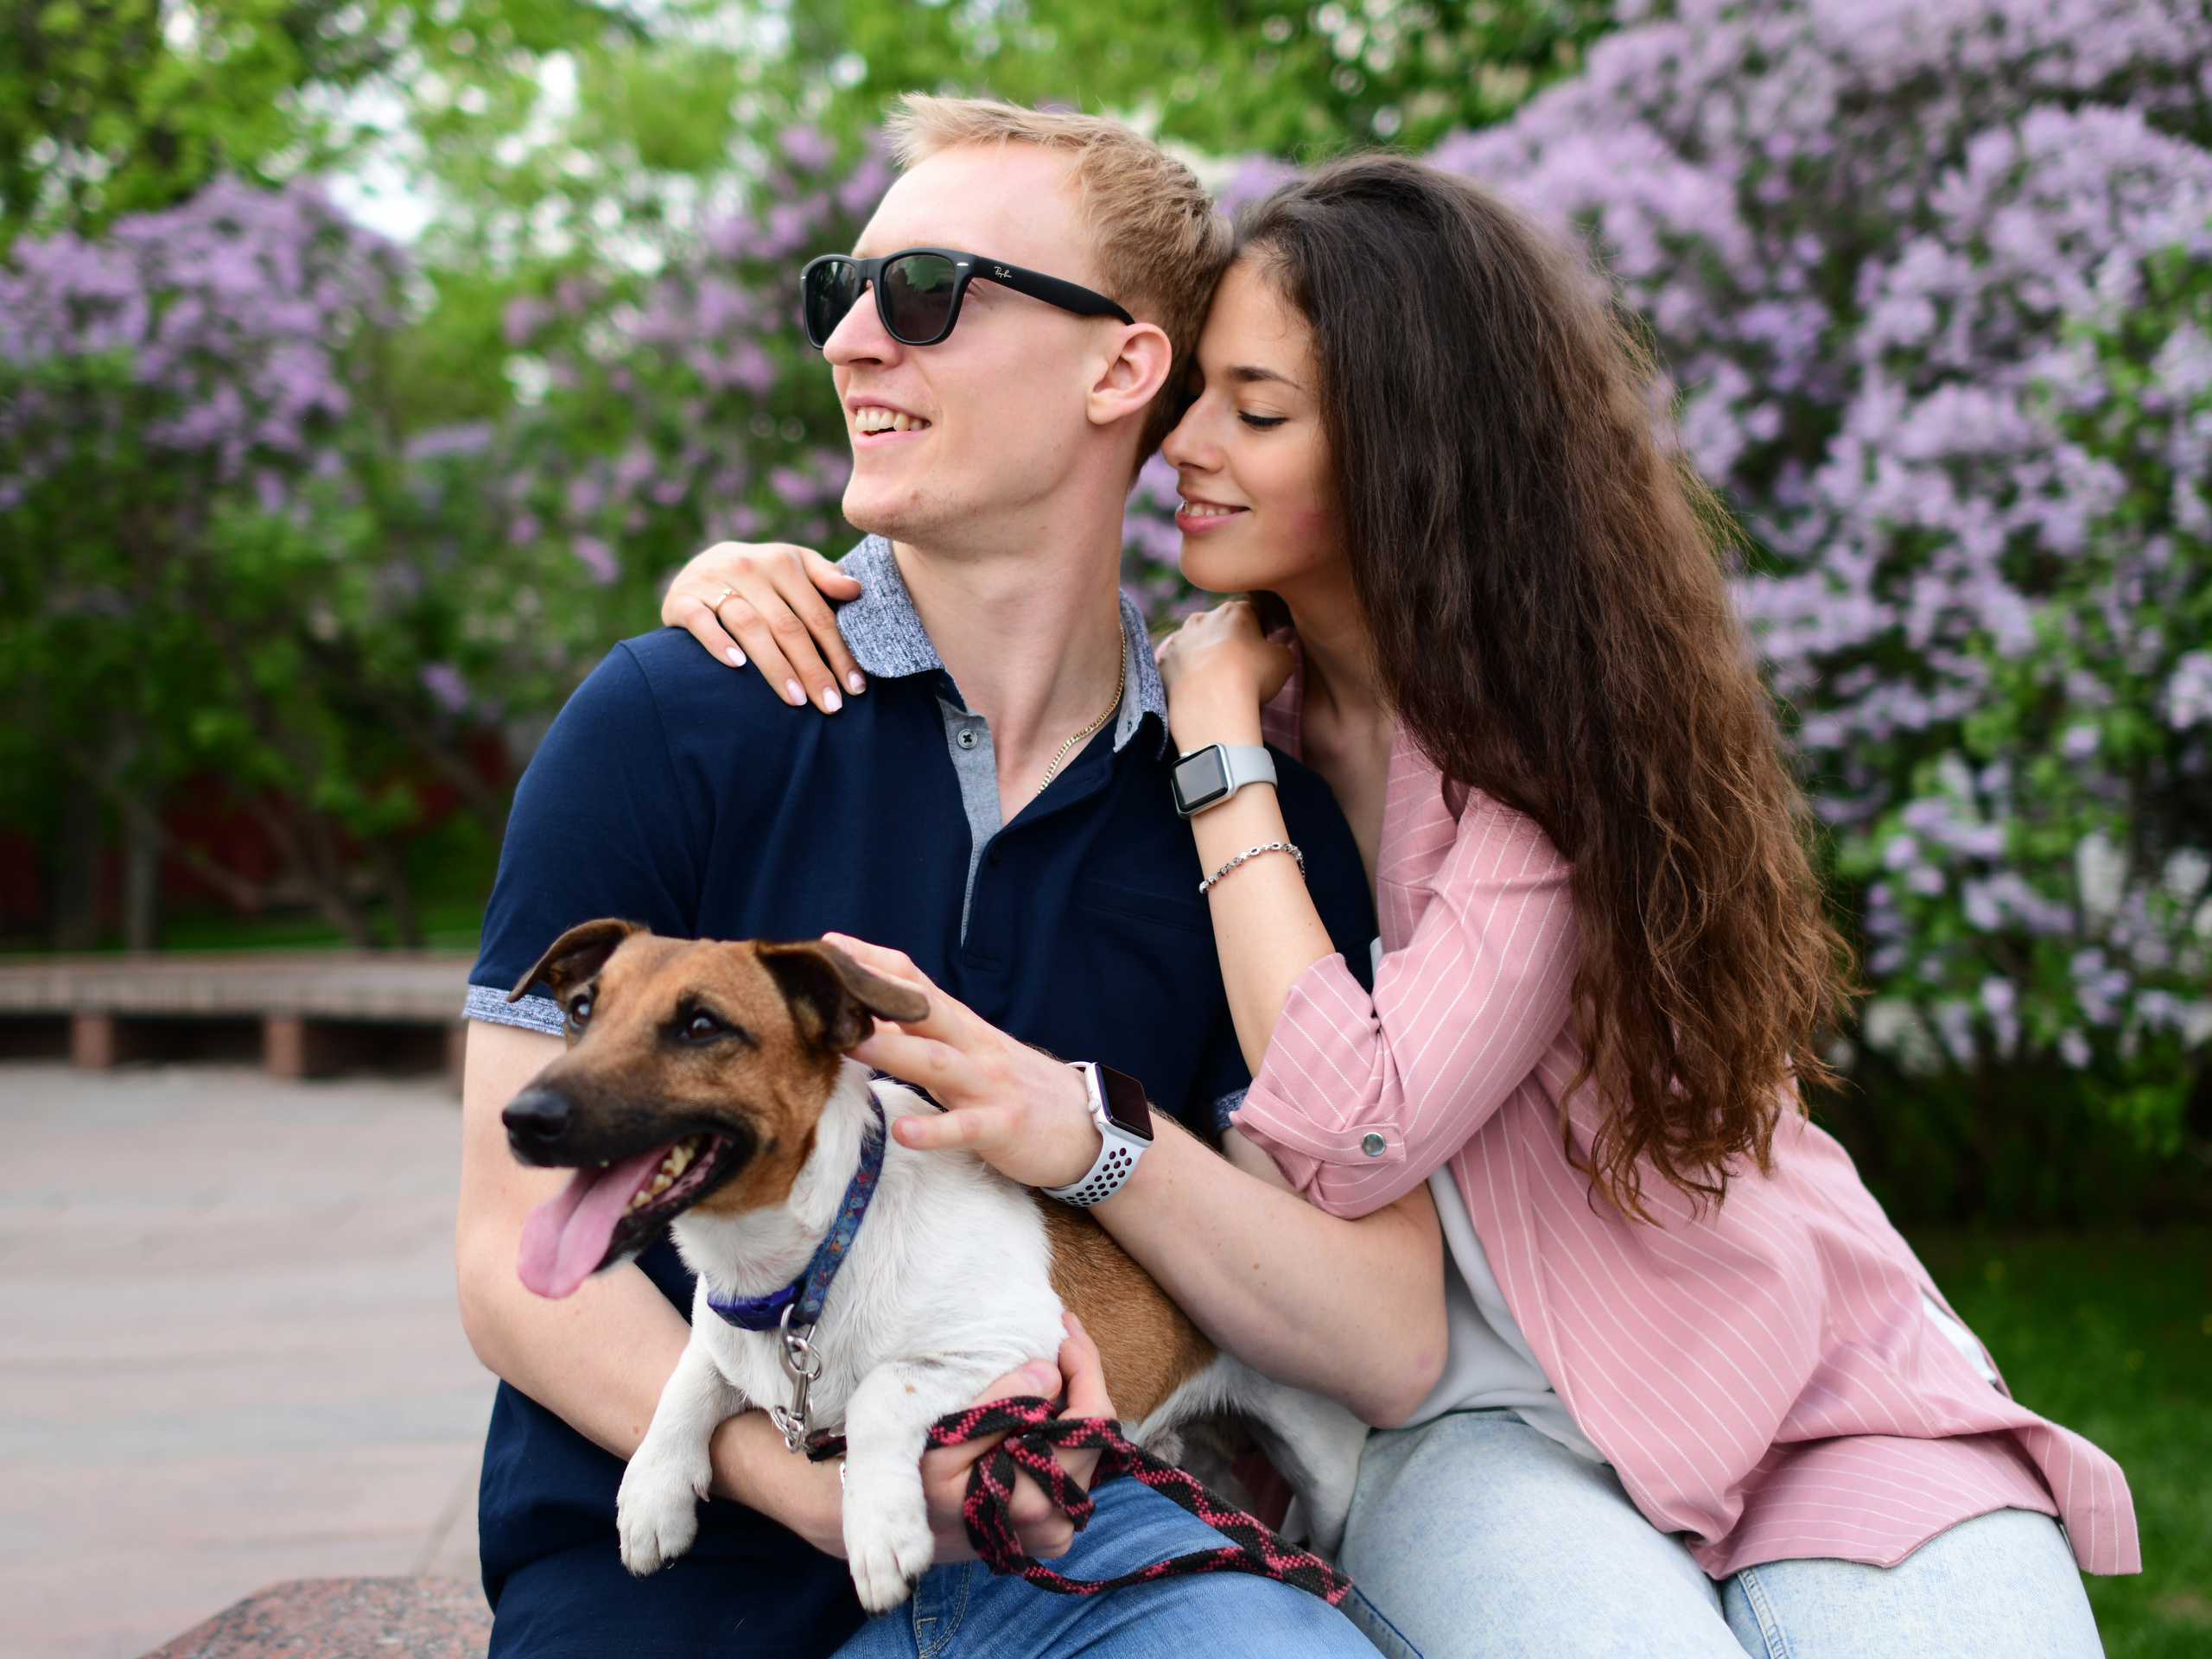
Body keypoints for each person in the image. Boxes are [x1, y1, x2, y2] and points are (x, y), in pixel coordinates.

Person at [665, 156, 2138, 1657]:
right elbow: (990, 640)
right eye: (1198, 404)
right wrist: (746, 580)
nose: (1192, 451)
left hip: (1796, 1389)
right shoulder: (1226, 718)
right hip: (1471, 1419)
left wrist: (1223, 748)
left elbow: (1354, 1119)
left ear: (1408, 456)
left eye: (1262, 411)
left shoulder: (1538, 753)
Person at [456, 99, 1433, 1659]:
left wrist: (1085, 1138)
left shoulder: (1255, 821)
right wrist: (820, 1491)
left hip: (1084, 1532)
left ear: (1121, 366)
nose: (853, 341)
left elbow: (1383, 1339)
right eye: (838, 292)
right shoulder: (665, 718)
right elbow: (509, 1265)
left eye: (922, 295)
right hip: (673, 1560)